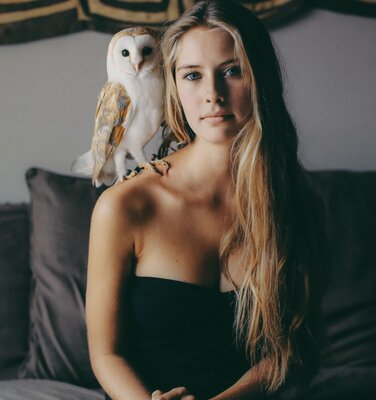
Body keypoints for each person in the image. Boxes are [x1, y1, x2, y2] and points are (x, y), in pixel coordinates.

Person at [85, 1, 329, 399]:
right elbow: (106, 353)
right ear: (174, 86)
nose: (212, 95)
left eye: (231, 71)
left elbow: (295, 348)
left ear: (260, 77)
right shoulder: (126, 206)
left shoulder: (297, 202)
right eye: (193, 75)